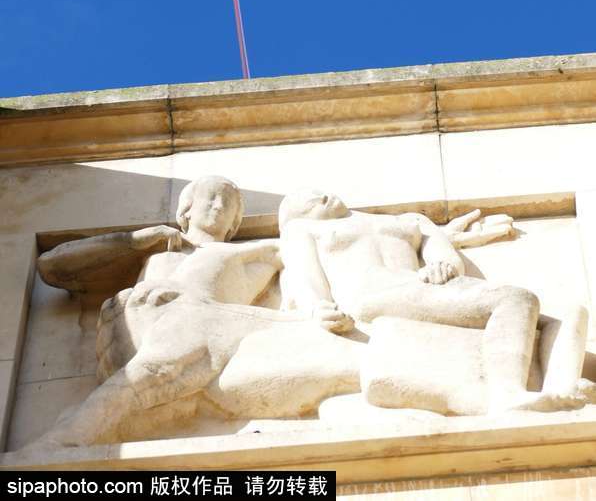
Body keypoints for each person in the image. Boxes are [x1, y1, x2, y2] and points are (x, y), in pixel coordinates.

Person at [34, 176, 352, 448]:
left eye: (228, 205)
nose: (218, 207)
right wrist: (135, 241)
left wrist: (314, 309)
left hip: (193, 337)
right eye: (211, 197)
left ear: (234, 225)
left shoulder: (248, 252)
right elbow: (53, 266)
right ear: (185, 208)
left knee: (153, 371)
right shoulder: (156, 249)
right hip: (130, 334)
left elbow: (299, 257)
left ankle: (71, 435)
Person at [278, 188, 596, 415]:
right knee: (514, 298)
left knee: (566, 316)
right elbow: (306, 275)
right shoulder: (304, 229)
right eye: (300, 201)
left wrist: (442, 265)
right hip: (376, 295)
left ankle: (561, 391)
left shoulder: (409, 219)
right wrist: (319, 308)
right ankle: (506, 395)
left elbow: (443, 255)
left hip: (424, 287)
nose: (315, 196)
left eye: (314, 191)